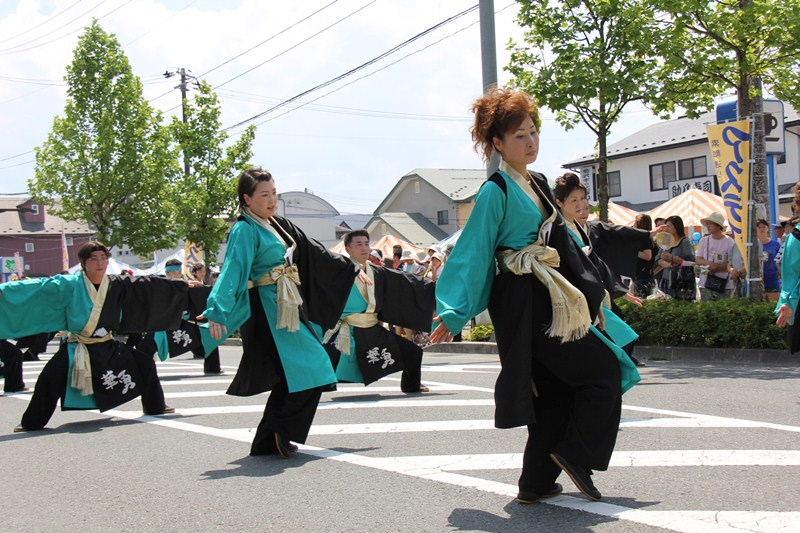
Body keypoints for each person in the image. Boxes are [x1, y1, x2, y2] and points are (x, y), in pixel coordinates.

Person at [431, 87, 629, 503]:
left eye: (534, 131)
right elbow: (473, 253)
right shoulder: (495, 191)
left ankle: (536, 481)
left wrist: (592, 296)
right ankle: (575, 452)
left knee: (555, 391)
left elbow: (568, 244)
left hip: (552, 292)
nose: (531, 140)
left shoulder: (537, 182)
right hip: (524, 300)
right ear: (497, 144)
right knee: (603, 371)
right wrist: (453, 313)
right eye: (520, 135)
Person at [198, 167, 359, 458]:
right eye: (264, 195)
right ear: (247, 199)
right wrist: (216, 309)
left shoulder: (275, 223)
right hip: (269, 308)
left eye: (274, 193)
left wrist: (347, 266)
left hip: (287, 302)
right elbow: (233, 270)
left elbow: (311, 252)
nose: (272, 200)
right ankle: (276, 434)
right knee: (314, 366)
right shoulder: (245, 229)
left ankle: (269, 439)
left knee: (301, 371)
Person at [3, 241, 193, 432]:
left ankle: (155, 405)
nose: (99, 263)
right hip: (78, 346)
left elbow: (148, 286)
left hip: (107, 344)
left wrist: (182, 286)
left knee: (145, 364)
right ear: (84, 263)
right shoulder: (69, 284)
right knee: (49, 377)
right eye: (94, 259)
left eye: (103, 258)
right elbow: (35, 288)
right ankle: (31, 422)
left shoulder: (116, 283)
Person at [322, 229, 433, 393]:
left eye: (367, 244)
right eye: (358, 244)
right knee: (320, 363)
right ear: (347, 248)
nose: (364, 248)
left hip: (372, 329)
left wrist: (434, 287)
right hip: (345, 330)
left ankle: (411, 385)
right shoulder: (338, 270)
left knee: (413, 352)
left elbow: (407, 283)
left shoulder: (378, 272)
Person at [555, 173, 646, 369]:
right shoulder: (557, 230)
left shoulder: (579, 229)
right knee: (609, 351)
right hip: (576, 300)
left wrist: (620, 290)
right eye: (574, 200)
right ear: (559, 202)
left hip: (592, 296)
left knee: (621, 340)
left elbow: (597, 265)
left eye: (583, 200)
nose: (580, 205)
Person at [695, 212, 736, 301]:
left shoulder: (729, 242)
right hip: (705, 282)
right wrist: (710, 264)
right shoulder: (704, 240)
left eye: (711, 224)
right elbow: (698, 259)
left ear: (718, 226)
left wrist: (717, 268)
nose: (708, 226)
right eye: (707, 224)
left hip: (725, 284)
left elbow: (732, 263)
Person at [658, 215, 696, 301]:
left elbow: (692, 262)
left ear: (676, 227)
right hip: (666, 280)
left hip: (681, 282)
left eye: (669, 226)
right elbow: (657, 259)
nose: (666, 229)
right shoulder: (666, 241)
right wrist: (665, 263)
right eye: (665, 226)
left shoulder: (685, 242)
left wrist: (672, 258)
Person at [631, 215, 659, 298]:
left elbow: (647, 256)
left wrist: (632, 251)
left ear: (640, 224)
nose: (633, 224)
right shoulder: (648, 238)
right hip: (644, 276)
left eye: (635, 222)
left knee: (641, 301)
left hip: (642, 277)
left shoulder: (644, 238)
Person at [757, 219, 781, 300]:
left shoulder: (776, 244)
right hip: (756, 280)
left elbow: (780, 261)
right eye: (759, 227)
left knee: (772, 305)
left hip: (772, 279)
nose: (762, 229)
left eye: (764, 227)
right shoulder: (751, 245)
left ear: (768, 228)